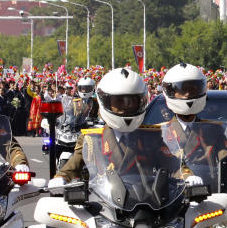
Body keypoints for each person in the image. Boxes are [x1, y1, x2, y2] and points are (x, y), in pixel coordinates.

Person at [49, 68, 182, 185]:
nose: (126, 106)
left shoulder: (150, 136)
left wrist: (187, 176)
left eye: (132, 101)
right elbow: (73, 165)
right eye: (119, 101)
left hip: (145, 202)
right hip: (104, 205)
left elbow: (172, 165)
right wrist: (61, 177)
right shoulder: (91, 138)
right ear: (105, 102)